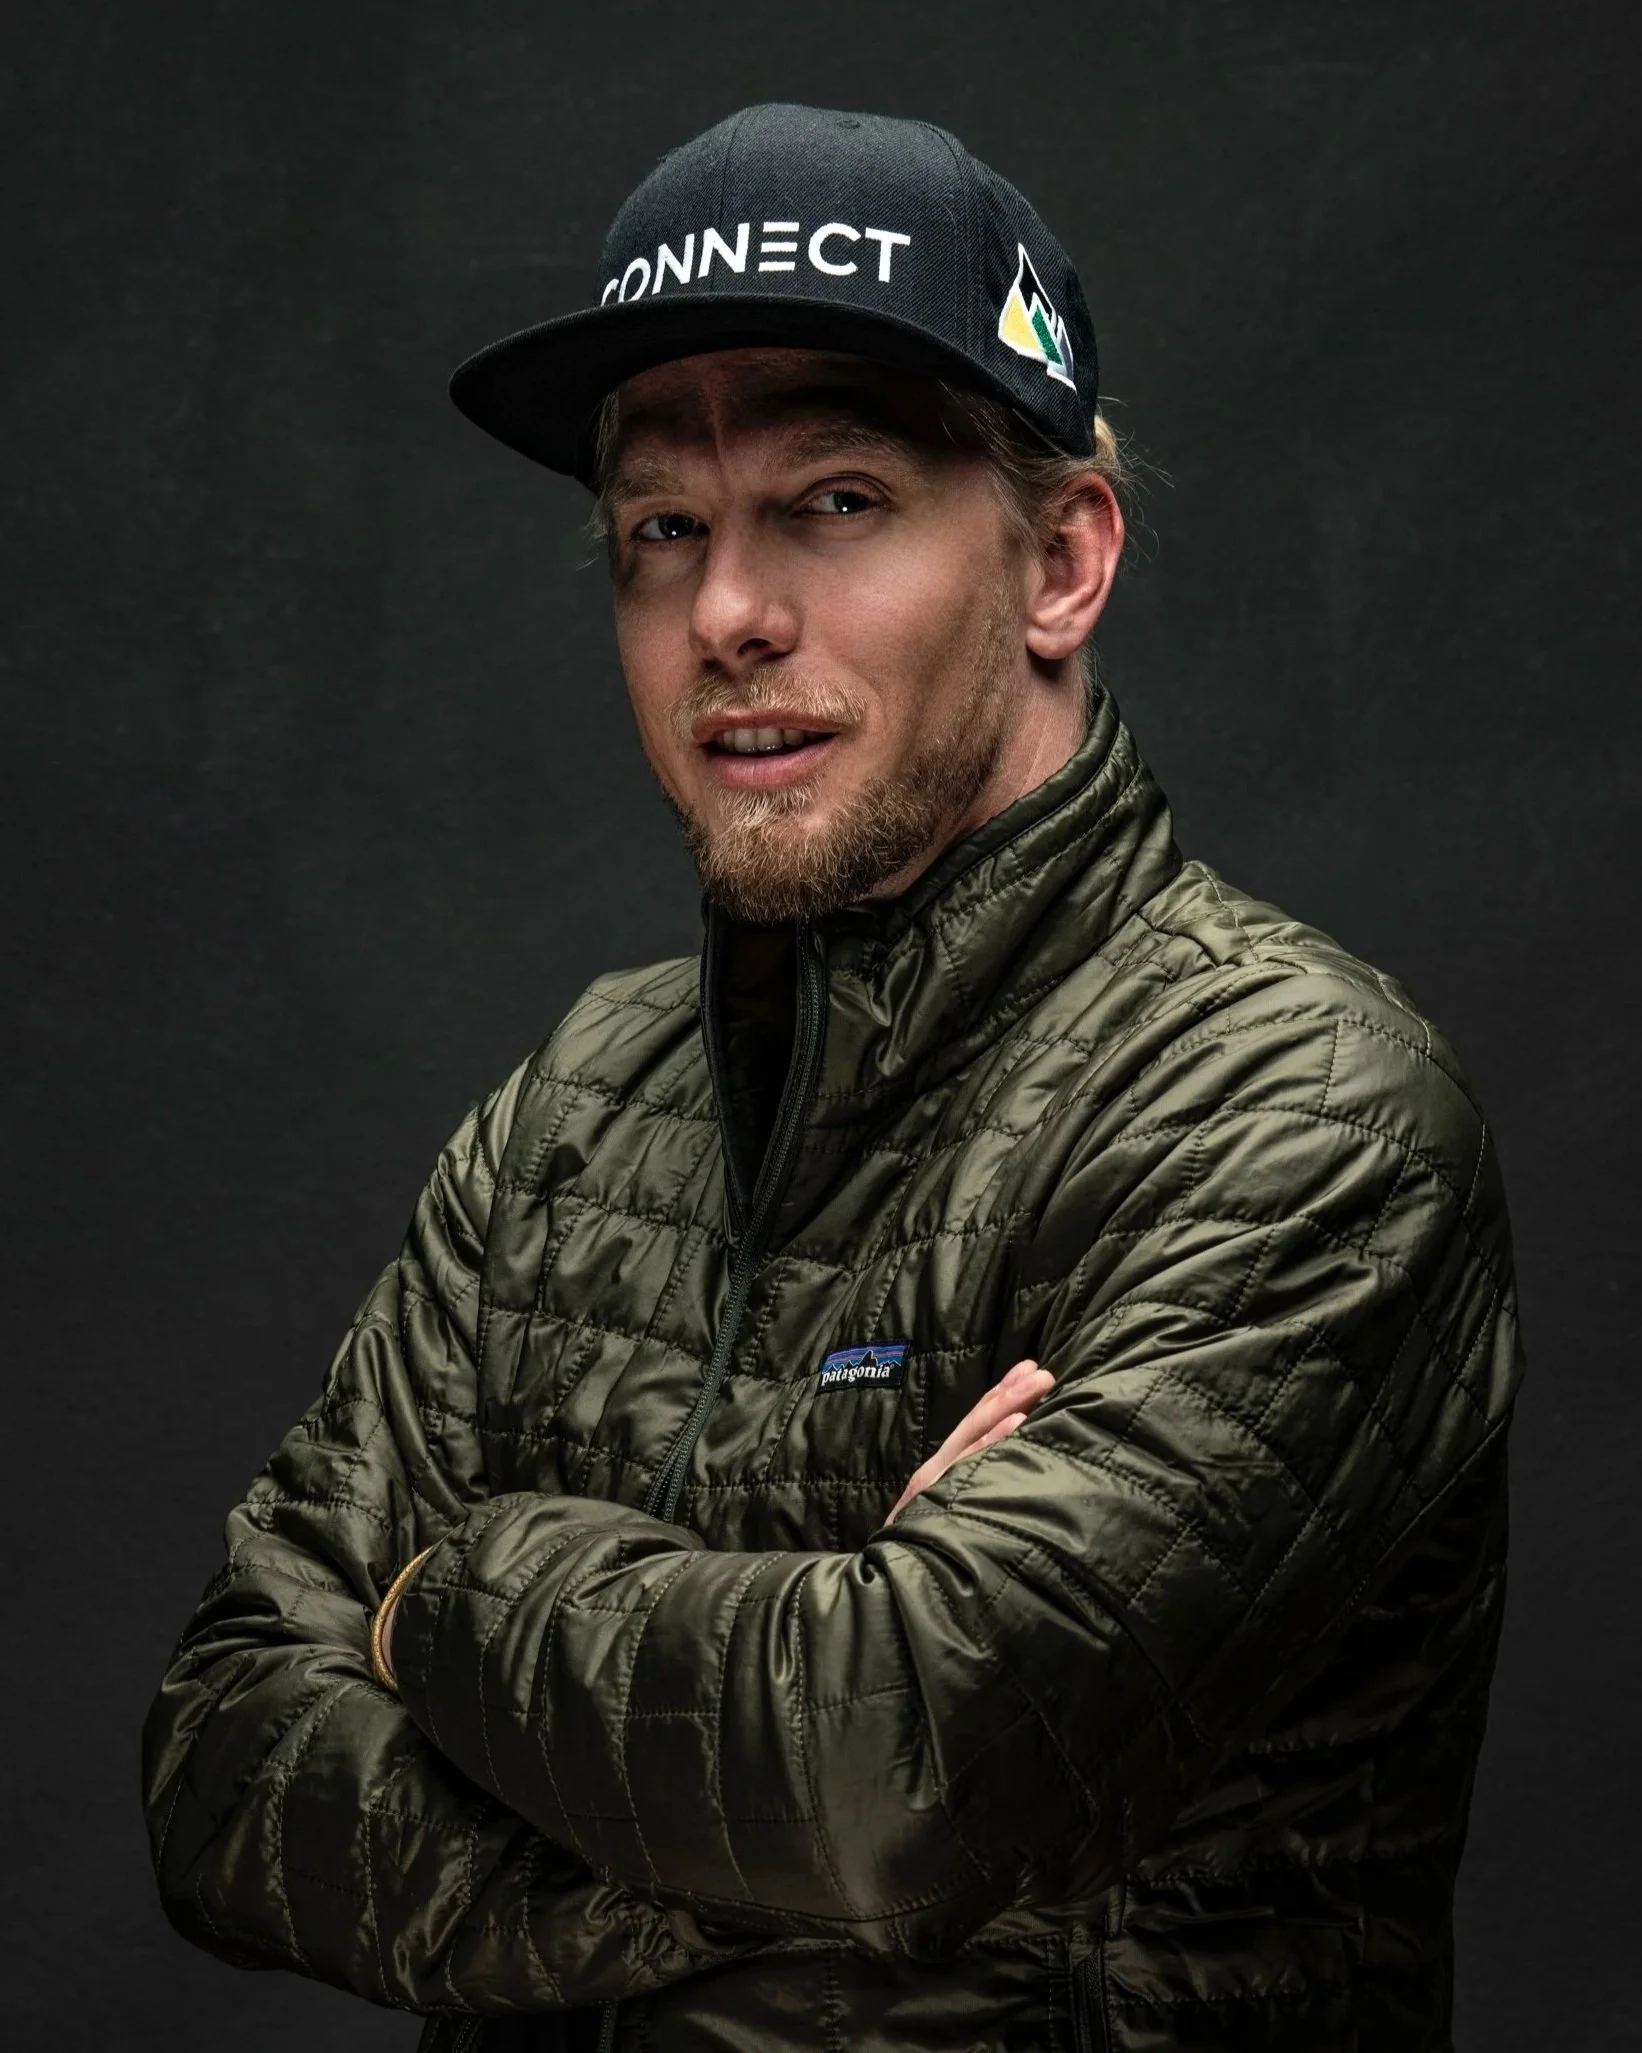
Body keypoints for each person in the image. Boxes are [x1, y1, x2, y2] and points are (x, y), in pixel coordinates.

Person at [142, 104, 1522, 2053]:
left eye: (837, 500)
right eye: (662, 529)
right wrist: (759, 1765)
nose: (727, 614)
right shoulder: (574, 1106)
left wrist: (428, 1594)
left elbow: (888, 1779)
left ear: (1060, 560)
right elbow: (216, 1760)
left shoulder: (1296, 1109)